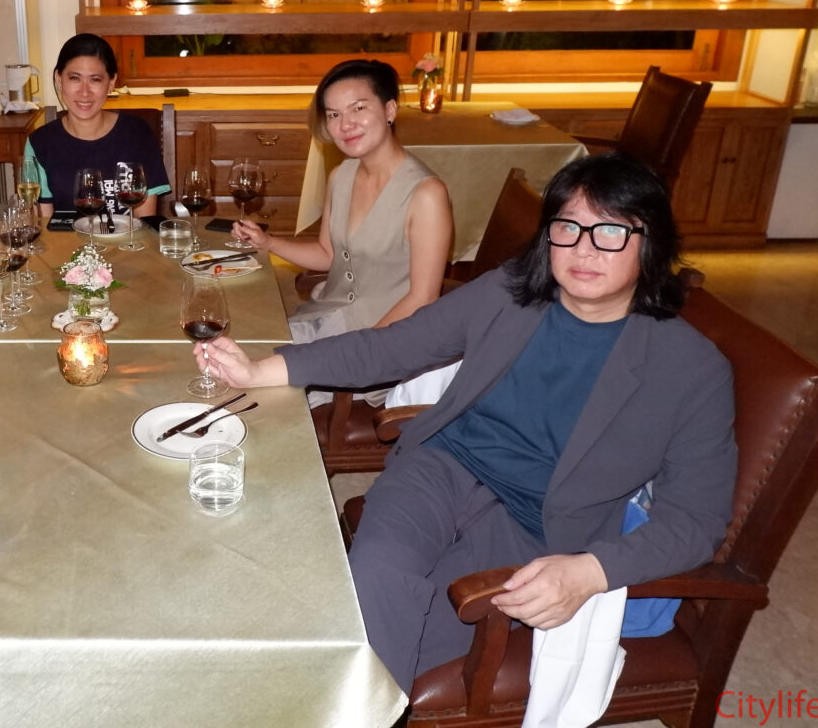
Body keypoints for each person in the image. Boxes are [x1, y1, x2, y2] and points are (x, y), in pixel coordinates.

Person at [196, 153, 736, 693]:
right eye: (568, 227)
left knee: (390, 636)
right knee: (377, 576)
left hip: (539, 525)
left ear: (651, 243)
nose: (584, 249)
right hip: (442, 467)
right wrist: (262, 369)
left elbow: (696, 521)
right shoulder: (511, 294)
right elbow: (396, 346)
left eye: (611, 231)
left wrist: (589, 572)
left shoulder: (690, 369)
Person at [232, 59, 452, 344]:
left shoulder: (427, 194)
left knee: (250, 361)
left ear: (389, 110)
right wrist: (268, 242)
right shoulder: (341, 176)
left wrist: (359, 352)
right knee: (233, 339)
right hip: (326, 317)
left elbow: (423, 297)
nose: (346, 124)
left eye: (358, 108)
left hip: (383, 341)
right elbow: (328, 254)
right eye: (334, 114)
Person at [26, 34, 170, 218]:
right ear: (59, 79)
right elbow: (44, 227)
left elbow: (145, 222)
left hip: (128, 237)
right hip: (65, 237)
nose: (84, 92)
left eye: (95, 80)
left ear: (111, 83)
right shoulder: (39, 143)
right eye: (75, 78)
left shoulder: (138, 134)